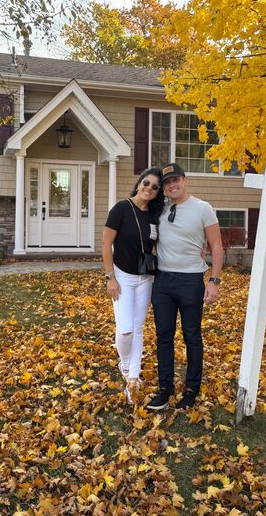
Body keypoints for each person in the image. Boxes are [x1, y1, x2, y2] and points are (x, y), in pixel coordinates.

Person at [146, 162, 224, 411]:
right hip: (163, 281)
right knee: (163, 337)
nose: (172, 185)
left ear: (184, 180)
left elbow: (217, 246)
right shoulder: (158, 208)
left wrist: (214, 281)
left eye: (175, 180)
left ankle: (191, 391)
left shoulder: (203, 208)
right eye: (167, 183)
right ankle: (165, 389)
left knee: (192, 336)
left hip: (191, 280)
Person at [102, 167, 165, 405]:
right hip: (123, 276)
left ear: (157, 192)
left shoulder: (154, 216)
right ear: (139, 183)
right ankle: (125, 364)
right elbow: (106, 243)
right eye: (146, 183)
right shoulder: (121, 208)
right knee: (126, 329)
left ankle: (133, 378)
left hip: (145, 278)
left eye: (154, 187)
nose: (149, 188)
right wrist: (110, 277)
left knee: (138, 329)